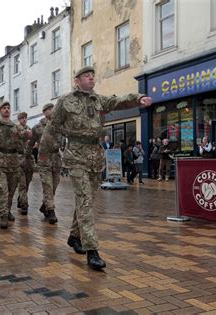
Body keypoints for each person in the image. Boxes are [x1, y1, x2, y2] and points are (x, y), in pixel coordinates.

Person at [38, 66, 153, 270]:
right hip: (76, 155)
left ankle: (74, 237)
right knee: (84, 200)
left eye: (92, 75)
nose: (91, 78)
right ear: (77, 80)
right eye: (86, 76)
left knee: (87, 201)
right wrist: (44, 155)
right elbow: (51, 129)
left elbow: (119, 100)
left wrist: (139, 97)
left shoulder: (98, 100)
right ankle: (92, 250)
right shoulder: (65, 101)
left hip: (95, 156)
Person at [0, 101, 28, 229]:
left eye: (8, 108)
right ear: (0, 111)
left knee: (12, 189)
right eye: (4, 108)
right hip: (0, 161)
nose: (7, 110)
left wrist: (28, 135)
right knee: (3, 189)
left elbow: (23, 139)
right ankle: (3, 215)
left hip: (14, 162)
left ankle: (7, 210)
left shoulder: (16, 127)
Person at [28, 103, 62, 224]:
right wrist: (27, 157)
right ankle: (51, 212)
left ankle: (45, 206)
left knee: (54, 186)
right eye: (50, 109)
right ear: (44, 112)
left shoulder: (59, 125)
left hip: (56, 159)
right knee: (47, 186)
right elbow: (30, 144)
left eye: (53, 109)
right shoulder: (37, 128)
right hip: (44, 159)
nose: (52, 111)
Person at [16, 111, 34, 215]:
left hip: (29, 158)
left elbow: (32, 141)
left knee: (28, 181)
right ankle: (24, 204)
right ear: (19, 119)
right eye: (22, 118)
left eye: (25, 118)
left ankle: (21, 198)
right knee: (22, 183)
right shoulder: (16, 129)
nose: (24, 119)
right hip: (19, 157)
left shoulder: (29, 128)